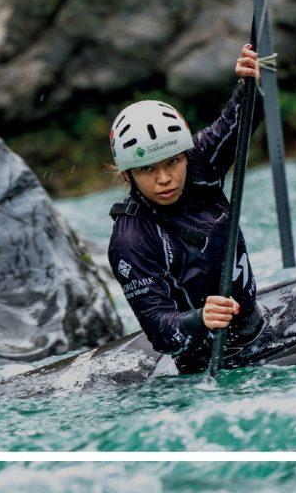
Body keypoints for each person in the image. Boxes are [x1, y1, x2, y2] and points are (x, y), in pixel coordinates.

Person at [107, 44, 265, 374]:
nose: (165, 179)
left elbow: (239, 120)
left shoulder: (198, 164)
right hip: (205, 360)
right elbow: (158, 328)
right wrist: (200, 319)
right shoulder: (130, 240)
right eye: (147, 169)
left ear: (184, 155)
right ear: (127, 175)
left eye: (172, 162)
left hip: (256, 324)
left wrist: (249, 82)